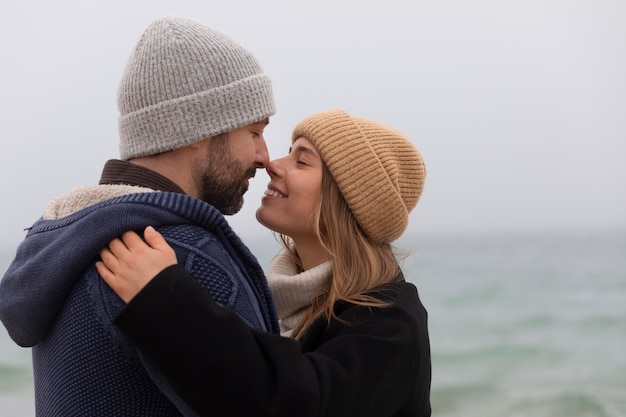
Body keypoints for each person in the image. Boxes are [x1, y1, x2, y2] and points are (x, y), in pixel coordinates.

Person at [0, 17, 279, 416]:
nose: (264, 156)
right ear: (197, 126)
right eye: (254, 131)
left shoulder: (68, 244)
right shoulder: (180, 254)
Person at [97, 109, 432, 416]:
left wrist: (164, 298)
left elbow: (292, 404)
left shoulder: (390, 321)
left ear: (346, 200)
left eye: (302, 162)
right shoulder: (283, 305)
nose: (273, 164)